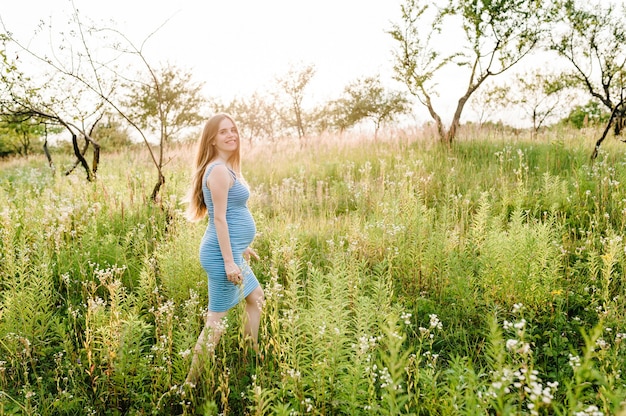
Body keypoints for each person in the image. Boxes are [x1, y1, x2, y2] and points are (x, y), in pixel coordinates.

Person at [184, 113, 265, 385]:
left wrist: (242, 246)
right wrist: (230, 261)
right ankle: (189, 385)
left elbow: (230, 213)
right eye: (223, 132)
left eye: (234, 130)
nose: (231, 135)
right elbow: (218, 218)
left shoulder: (225, 167)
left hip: (230, 251)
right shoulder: (218, 170)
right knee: (215, 323)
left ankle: (250, 356)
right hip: (220, 257)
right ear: (212, 139)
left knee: (255, 297)